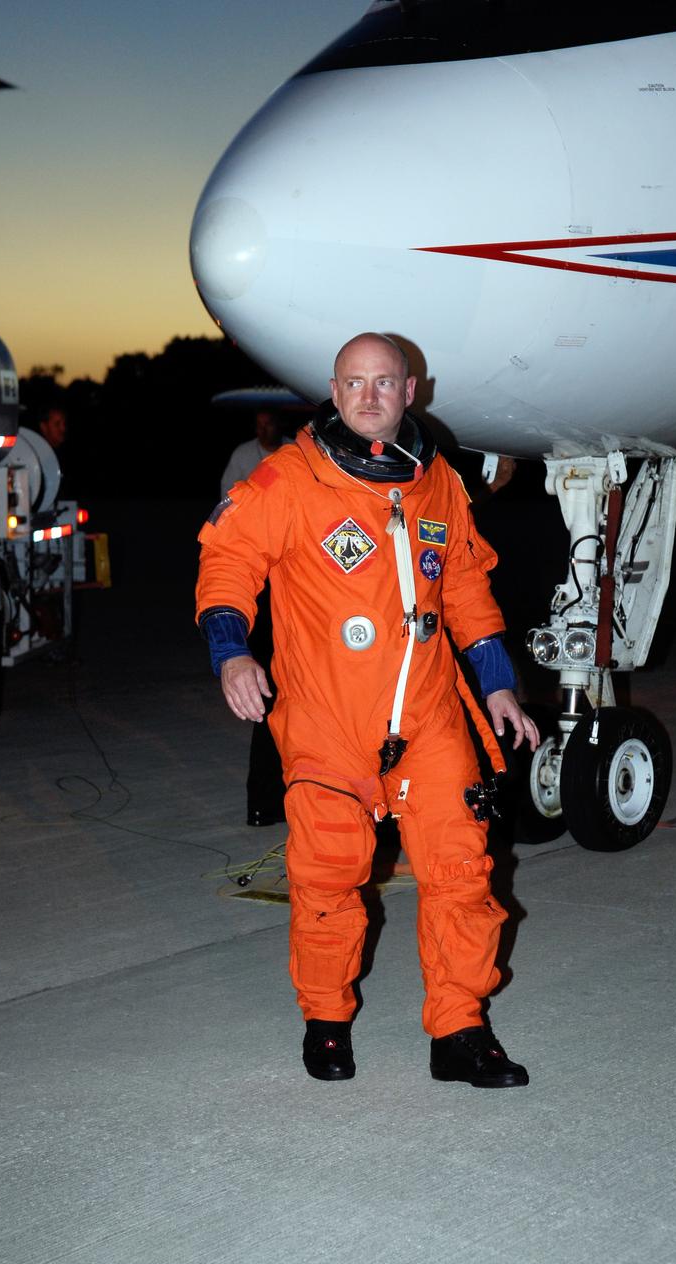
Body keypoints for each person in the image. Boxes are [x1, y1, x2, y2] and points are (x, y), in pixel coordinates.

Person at [196, 333, 539, 1088]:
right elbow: (227, 561)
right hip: (328, 721)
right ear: (333, 387)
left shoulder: (437, 482)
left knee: (461, 873)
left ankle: (460, 1030)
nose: (370, 396)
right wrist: (232, 651)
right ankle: (326, 1021)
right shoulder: (289, 481)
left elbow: (466, 588)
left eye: (385, 383)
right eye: (355, 382)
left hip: (428, 716)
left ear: (411, 390)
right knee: (329, 878)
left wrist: (500, 685)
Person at [219, 411, 288, 826]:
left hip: (292, 593)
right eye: (259, 421)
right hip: (260, 593)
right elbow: (229, 515)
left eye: (271, 420)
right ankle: (263, 804)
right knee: (270, 699)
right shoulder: (247, 459)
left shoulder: (294, 456)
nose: (266, 426)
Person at [220, 411, 284, 495]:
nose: (263, 430)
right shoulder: (242, 453)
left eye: (268, 424)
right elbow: (226, 490)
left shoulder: (295, 449)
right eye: (259, 425)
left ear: (279, 424)